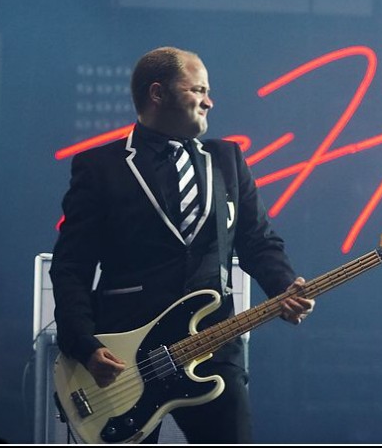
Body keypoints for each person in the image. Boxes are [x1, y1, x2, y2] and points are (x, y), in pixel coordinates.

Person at [50, 46, 315, 444]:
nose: (210, 101)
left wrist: (284, 287)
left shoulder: (228, 159)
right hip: (126, 359)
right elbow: (71, 266)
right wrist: (84, 345)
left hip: (212, 346)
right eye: (198, 89)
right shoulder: (100, 167)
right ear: (158, 94)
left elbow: (258, 240)